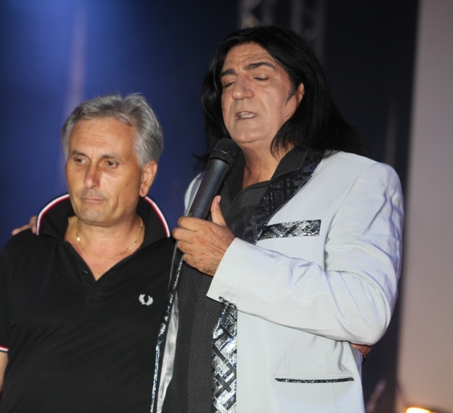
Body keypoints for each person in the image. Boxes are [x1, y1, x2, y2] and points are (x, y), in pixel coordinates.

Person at [157, 26, 404, 413]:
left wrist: (230, 260)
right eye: (228, 82)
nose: (239, 92)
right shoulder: (202, 190)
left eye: (259, 76)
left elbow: (365, 310)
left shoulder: (357, 180)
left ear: (299, 94)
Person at [0, 93, 174, 413]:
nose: (90, 179)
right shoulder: (24, 252)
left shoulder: (178, 267)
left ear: (146, 177)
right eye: (79, 160)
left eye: (109, 163)